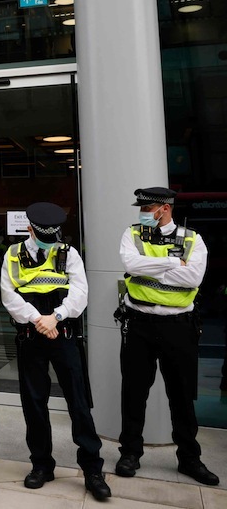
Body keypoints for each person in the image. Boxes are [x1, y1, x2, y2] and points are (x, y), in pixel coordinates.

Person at [1, 202, 110, 501]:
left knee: (78, 403)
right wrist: (39, 320)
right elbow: (8, 295)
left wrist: (56, 317)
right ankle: (41, 465)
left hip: (63, 334)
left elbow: (80, 293)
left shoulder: (68, 253)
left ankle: (92, 469)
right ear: (30, 229)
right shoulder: (12, 255)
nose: (50, 241)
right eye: (43, 235)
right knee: (34, 404)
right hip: (31, 335)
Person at [114, 187, 218, 486]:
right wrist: (173, 264)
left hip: (179, 325)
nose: (143, 214)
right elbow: (131, 266)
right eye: (142, 209)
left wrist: (151, 270)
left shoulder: (191, 239)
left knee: (182, 395)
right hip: (139, 323)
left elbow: (193, 278)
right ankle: (130, 452)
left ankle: (189, 458)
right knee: (133, 392)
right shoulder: (132, 234)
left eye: (147, 209)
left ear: (164, 208)